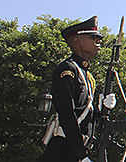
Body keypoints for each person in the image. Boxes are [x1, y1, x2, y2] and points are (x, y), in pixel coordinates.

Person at [40, 16, 117, 162]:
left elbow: (84, 115)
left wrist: (101, 109)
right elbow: (67, 114)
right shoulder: (67, 70)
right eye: (92, 37)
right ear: (77, 41)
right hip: (63, 150)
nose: (99, 42)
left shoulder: (87, 76)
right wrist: (81, 155)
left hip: (78, 149)